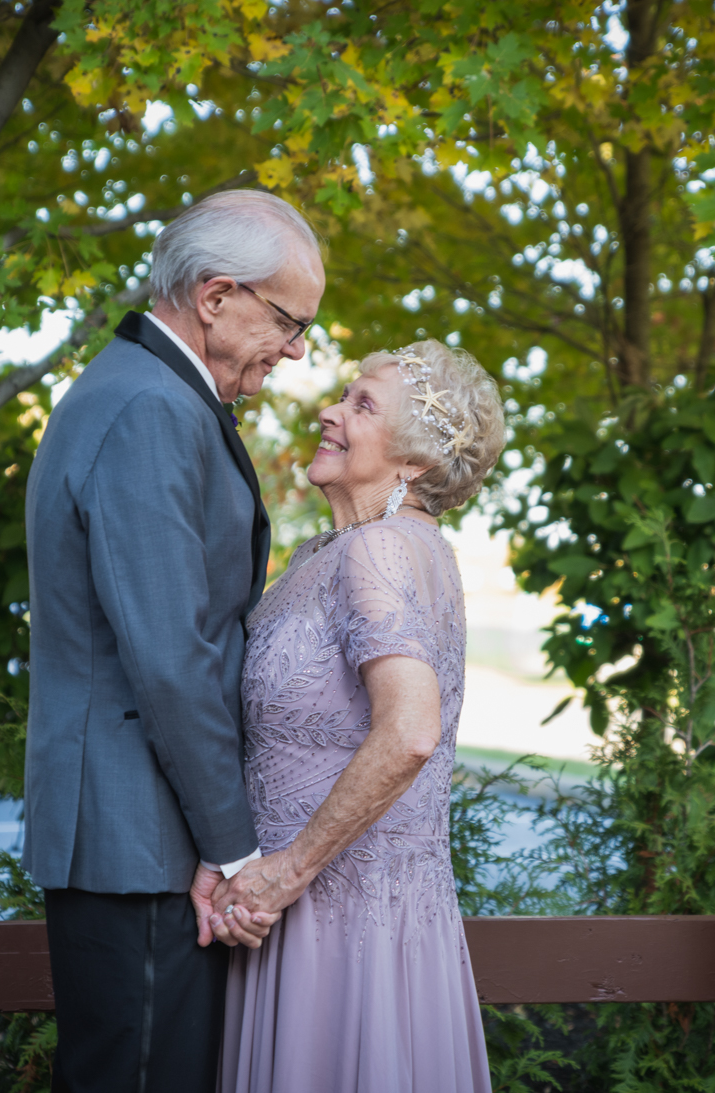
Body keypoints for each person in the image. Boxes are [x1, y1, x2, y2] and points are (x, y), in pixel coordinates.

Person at [21, 189, 324, 1093]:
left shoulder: (147, 392)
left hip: (140, 838)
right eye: (290, 320)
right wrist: (234, 853)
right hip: (139, 844)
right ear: (217, 295)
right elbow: (170, 654)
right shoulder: (150, 407)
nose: (300, 348)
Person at [210, 340, 506, 1093]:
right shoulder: (346, 549)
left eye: (362, 405)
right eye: (343, 396)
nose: (330, 413)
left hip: (335, 927)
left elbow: (410, 731)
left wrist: (286, 872)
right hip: (340, 918)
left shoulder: (378, 551)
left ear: (416, 462)